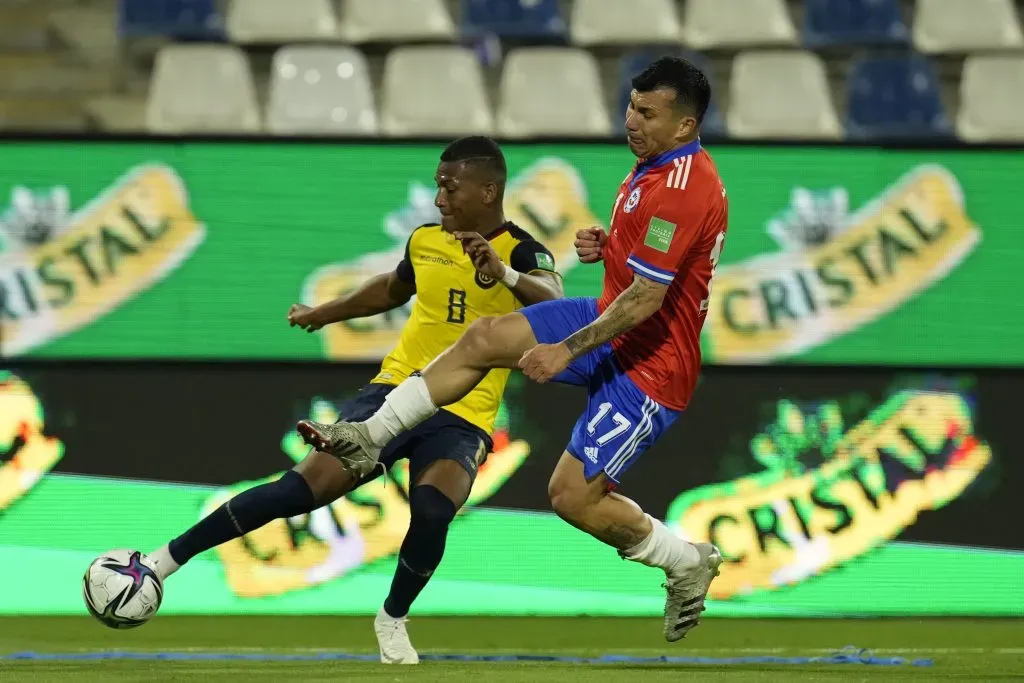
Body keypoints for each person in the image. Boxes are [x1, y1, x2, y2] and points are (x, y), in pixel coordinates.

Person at [296, 56, 730, 643]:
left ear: (685, 126)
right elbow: (653, 263)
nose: (631, 120)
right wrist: (610, 245)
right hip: (612, 320)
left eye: (648, 113)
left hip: (650, 365)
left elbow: (648, 299)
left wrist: (565, 351)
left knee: (571, 497)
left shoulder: (684, 187)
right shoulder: (653, 166)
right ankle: (368, 435)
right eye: (631, 105)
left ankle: (684, 561)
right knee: (483, 338)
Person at [143, 136, 563, 664]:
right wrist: (325, 313)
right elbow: (391, 289)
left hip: (464, 415)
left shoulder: (524, 251)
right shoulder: (426, 241)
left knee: (433, 512)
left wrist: (501, 272)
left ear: (488, 190)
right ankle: (159, 563)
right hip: (391, 394)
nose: (439, 199)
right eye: (438, 186)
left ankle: (392, 618)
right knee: (300, 491)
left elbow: (553, 301)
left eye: (449, 187)